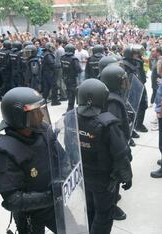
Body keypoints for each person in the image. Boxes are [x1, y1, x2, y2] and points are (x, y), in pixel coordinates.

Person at [0, 87, 57, 234]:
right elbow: (12, 200)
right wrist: (50, 196)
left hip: (55, 202)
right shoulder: (4, 152)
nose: (40, 115)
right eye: (34, 112)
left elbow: (58, 156)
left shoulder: (42, 129)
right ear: (18, 117)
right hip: (30, 212)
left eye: (40, 109)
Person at [77, 78, 132, 234]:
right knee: (104, 214)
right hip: (104, 181)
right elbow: (121, 154)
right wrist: (127, 175)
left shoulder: (71, 118)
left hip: (82, 177)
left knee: (89, 209)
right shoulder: (108, 123)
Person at [100, 64, 132, 221]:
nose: (125, 84)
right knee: (115, 176)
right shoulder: (112, 102)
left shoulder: (113, 96)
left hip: (115, 144)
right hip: (114, 147)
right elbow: (115, 130)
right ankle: (110, 207)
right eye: (122, 81)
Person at [61, 44, 81, 112]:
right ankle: (71, 109)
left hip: (65, 78)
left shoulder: (62, 57)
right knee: (74, 94)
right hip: (73, 79)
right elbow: (78, 69)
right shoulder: (74, 59)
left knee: (69, 93)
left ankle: (70, 108)